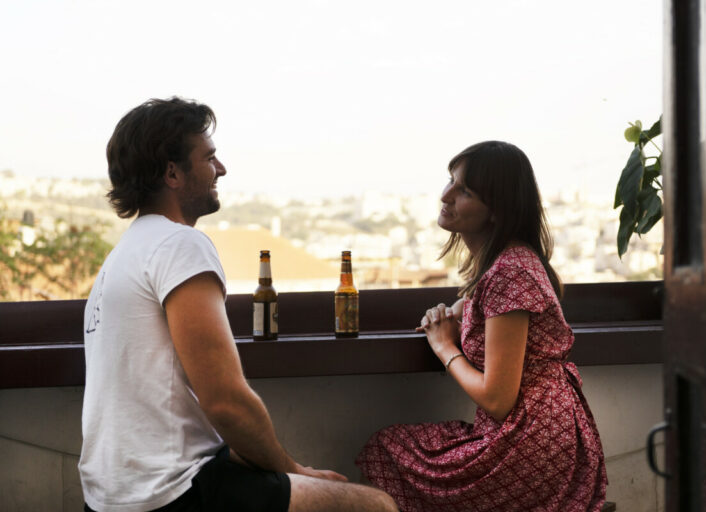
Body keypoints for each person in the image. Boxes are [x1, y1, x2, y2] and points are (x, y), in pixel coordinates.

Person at [79, 97, 397, 512]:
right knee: (376, 505)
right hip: (170, 492)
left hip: (111, 495)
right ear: (172, 172)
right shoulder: (180, 245)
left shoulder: (125, 252)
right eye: (209, 157)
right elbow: (226, 401)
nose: (221, 169)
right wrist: (296, 472)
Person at [356, 141, 607, 511]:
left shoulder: (510, 271)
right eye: (451, 182)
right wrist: (460, 314)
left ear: (496, 212)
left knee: (386, 449)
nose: (446, 195)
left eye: (465, 191)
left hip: (529, 444)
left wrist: (444, 347)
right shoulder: (504, 265)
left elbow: (497, 399)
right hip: (538, 435)